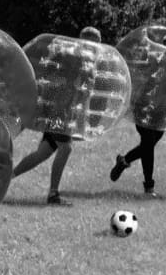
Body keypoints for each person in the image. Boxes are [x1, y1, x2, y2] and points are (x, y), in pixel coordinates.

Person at [11, 26, 102, 206]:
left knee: (42, 154)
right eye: (93, 44)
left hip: (65, 112)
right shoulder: (71, 56)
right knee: (66, 148)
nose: (95, 48)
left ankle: (6, 178)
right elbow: (51, 75)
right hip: (58, 110)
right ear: (84, 41)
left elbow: (83, 91)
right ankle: (53, 195)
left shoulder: (90, 62)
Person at [111, 125, 165, 198]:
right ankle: (149, 187)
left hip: (158, 115)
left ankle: (124, 161)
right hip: (143, 114)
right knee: (148, 139)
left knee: (154, 138)